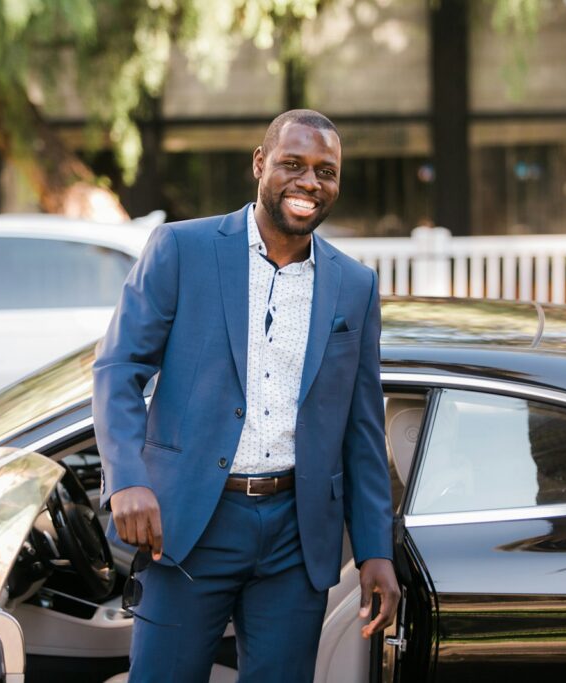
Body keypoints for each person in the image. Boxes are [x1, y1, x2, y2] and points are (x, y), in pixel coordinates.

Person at [93, 109, 399, 682]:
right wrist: (127, 479)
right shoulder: (181, 249)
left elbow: (361, 427)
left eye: (326, 171)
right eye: (293, 164)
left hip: (296, 534)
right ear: (260, 164)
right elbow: (118, 368)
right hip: (191, 525)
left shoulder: (354, 285)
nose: (309, 182)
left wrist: (374, 549)